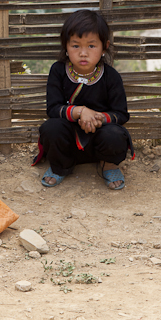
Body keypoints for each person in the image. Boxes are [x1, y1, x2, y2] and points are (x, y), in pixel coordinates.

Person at [34, 10, 131, 190]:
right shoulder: (58, 71)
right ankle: (60, 166)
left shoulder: (111, 76)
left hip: (100, 139)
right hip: (68, 138)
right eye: (76, 46)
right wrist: (80, 112)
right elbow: (53, 108)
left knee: (116, 134)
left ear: (105, 46)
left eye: (91, 46)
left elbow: (121, 114)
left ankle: (108, 165)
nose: (83, 53)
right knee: (51, 128)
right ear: (66, 46)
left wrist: (98, 118)